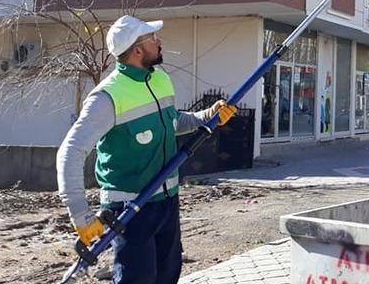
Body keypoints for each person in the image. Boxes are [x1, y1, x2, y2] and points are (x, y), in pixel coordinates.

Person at [56, 15, 237, 284]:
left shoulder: (160, 79)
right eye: (152, 38)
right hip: (130, 208)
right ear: (138, 50)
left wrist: (207, 116)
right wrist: (81, 216)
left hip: (166, 200)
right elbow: (69, 152)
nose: (158, 41)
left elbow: (172, 121)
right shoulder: (107, 98)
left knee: (168, 275)